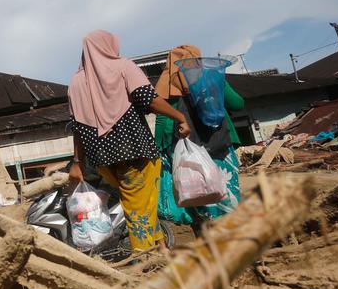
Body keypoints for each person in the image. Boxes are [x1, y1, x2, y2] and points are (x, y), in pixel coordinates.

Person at [66, 31, 190, 255]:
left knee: (141, 203)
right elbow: (149, 100)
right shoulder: (123, 66)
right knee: (138, 208)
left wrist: (78, 162)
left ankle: (160, 248)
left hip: (102, 159)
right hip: (134, 152)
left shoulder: (75, 82)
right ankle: (144, 259)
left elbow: (76, 127)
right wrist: (180, 117)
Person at [154, 45, 245, 232]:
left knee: (196, 196)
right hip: (219, 145)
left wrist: (162, 150)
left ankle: (208, 243)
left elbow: (162, 124)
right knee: (227, 196)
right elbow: (237, 104)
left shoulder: (165, 85)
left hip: (186, 154)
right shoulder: (212, 77)